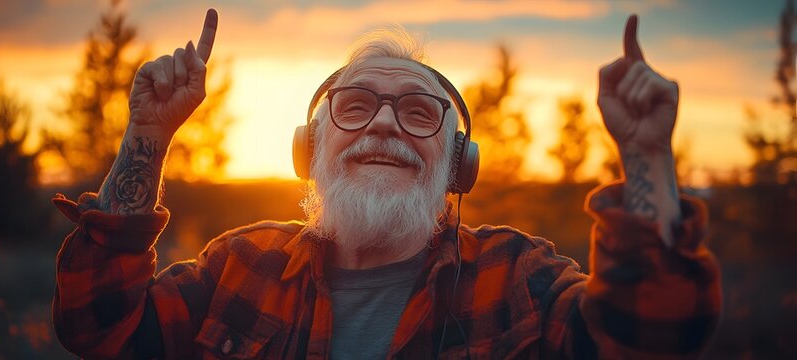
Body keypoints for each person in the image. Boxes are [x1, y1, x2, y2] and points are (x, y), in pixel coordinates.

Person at [51, 8, 721, 359]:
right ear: (311, 148)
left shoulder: (518, 279)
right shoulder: (237, 267)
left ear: (458, 165)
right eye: (354, 105)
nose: (383, 125)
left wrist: (643, 156)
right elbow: (97, 329)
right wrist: (147, 135)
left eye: (418, 112)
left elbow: (649, 338)